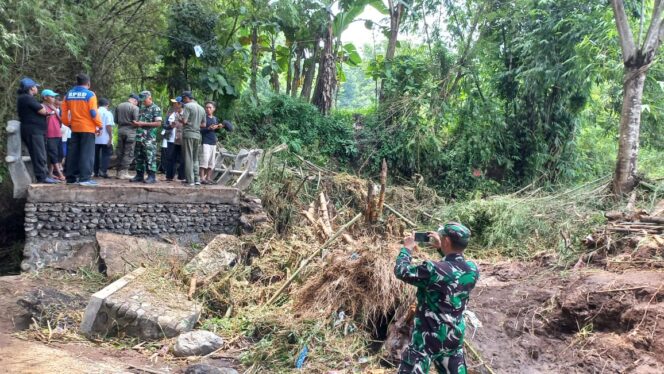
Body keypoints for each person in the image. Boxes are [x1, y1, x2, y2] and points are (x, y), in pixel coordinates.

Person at [394, 222, 479, 374]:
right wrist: (442, 250)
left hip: (426, 340)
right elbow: (454, 268)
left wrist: (407, 249)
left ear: (446, 241)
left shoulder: (433, 269)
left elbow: (402, 271)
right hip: (453, 338)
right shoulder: (473, 269)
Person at [61, 73, 103, 186]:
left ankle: (71, 178)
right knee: (87, 154)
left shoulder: (69, 94)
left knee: (73, 153)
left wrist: (68, 123)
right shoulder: (90, 94)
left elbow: (63, 112)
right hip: (88, 128)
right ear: (88, 83)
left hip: (74, 128)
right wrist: (99, 125)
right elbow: (93, 112)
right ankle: (85, 179)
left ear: (77, 82)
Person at [16, 77, 59, 184]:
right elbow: (43, 111)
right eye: (35, 87)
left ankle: (43, 175)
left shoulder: (25, 98)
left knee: (40, 153)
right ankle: (42, 177)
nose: (37, 89)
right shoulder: (27, 98)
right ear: (31, 88)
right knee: (38, 153)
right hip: (33, 131)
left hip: (35, 130)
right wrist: (47, 111)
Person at [130, 90, 162, 184]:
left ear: (150, 98)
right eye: (142, 100)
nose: (143, 102)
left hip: (149, 138)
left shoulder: (155, 108)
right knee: (139, 156)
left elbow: (158, 123)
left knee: (150, 157)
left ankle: (151, 176)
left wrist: (142, 123)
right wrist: (136, 124)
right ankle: (139, 175)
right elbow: (139, 122)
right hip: (139, 137)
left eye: (145, 100)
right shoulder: (142, 109)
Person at [180, 91, 205, 186]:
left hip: (188, 134)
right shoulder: (202, 108)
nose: (184, 101)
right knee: (195, 158)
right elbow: (204, 124)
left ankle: (190, 180)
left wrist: (183, 121)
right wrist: (195, 124)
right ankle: (197, 179)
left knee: (188, 157)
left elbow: (184, 120)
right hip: (197, 135)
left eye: (184, 99)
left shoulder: (188, 106)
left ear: (186, 98)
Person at [114, 93, 140, 179]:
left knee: (120, 151)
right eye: (137, 102)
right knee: (128, 152)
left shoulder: (119, 106)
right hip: (131, 132)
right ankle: (124, 172)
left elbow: (116, 120)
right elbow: (136, 121)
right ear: (135, 100)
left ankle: (118, 172)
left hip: (120, 130)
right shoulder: (135, 108)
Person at [42, 89, 65, 181]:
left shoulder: (55, 108)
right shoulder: (42, 107)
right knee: (53, 153)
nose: (53, 98)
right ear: (45, 97)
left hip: (58, 133)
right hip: (50, 134)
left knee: (60, 154)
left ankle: (51, 173)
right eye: (51, 96)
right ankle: (59, 173)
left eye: (53, 97)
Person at [164, 97, 184, 181]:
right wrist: (170, 126)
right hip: (171, 139)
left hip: (182, 140)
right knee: (170, 158)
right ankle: (169, 176)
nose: (174, 105)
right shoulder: (170, 113)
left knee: (182, 158)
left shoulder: (186, 114)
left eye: (175, 103)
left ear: (180, 104)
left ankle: (182, 176)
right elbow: (164, 125)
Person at [199, 101, 219, 184]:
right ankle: (202, 179)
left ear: (214, 109)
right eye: (206, 107)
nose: (208, 109)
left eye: (210, 107)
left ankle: (208, 178)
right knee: (204, 161)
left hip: (213, 142)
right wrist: (208, 129)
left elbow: (215, 130)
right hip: (205, 142)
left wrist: (218, 127)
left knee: (211, 162)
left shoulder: (215, 118)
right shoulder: (203, 118)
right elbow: (200, 130)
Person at [94, 98, 114, 178]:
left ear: (98, 104)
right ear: (107, 105)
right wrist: (110, 137)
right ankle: (103, 171)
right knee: (106, 155)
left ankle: (95, 172)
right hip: (105, 137)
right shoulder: (107, 113)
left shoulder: (95, 112)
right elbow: (108, 125)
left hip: (95, 137)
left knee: (95, 155)